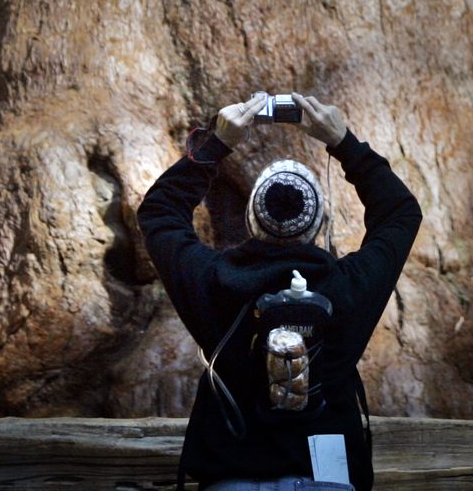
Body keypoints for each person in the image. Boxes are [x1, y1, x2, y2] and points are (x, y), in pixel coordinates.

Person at [137, 91, 423, 490]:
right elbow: (400, 213)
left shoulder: (213, 280)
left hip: (230, 479)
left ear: (253, 220)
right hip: (327, 480)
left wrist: (216, 144)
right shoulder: (347, 286)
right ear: (318, 224)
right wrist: (343, 142)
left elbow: (160, 213)